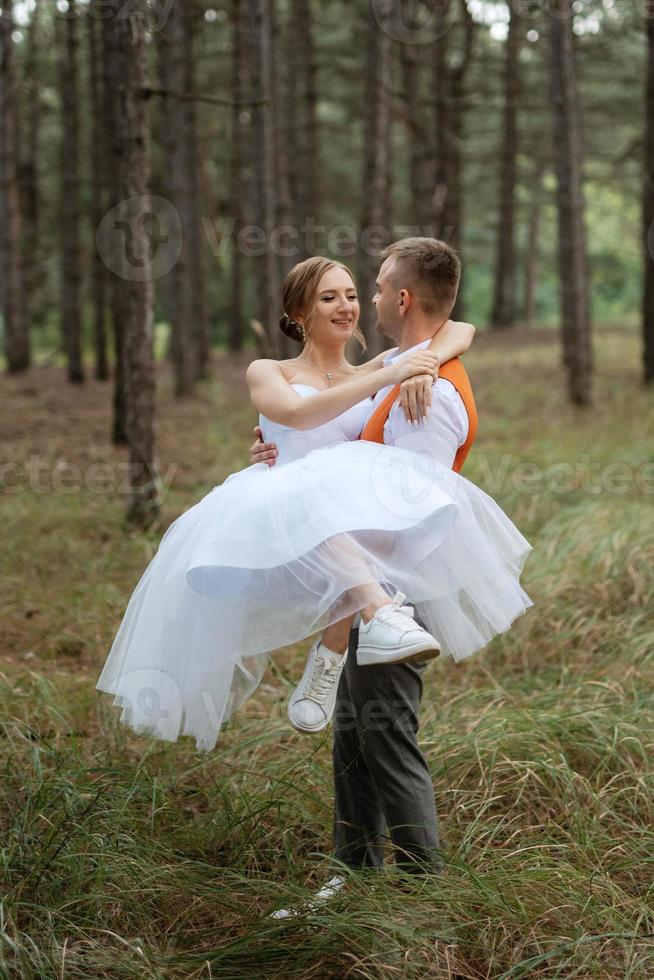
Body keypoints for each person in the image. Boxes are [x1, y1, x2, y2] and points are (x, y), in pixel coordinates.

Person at [95, 254, 478, 752]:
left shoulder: (376, 368)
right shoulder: (269, 369)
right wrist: (395, 373)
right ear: (299, 313)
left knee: (333, 511)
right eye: (328, 298)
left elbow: (460, 329)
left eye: (352, 295)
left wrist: (420, 367)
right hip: (285, 515)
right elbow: (296, 415)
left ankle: (332, 651)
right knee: (304, 492)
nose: (346, 307)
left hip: (346, 522)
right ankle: (364, 626)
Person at [249, 237, 533, 884]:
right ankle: (353, 874)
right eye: (336, 295)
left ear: (400, 299)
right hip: (371, 590)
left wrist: (347, 562)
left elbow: (412, 517)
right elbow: (457, 327)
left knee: (387, 736)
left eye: (369, 288)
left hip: (398, 590)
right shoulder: (406, 369)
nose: (362, 300)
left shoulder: (424, 396)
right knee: (355, 734)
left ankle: (424, 887)